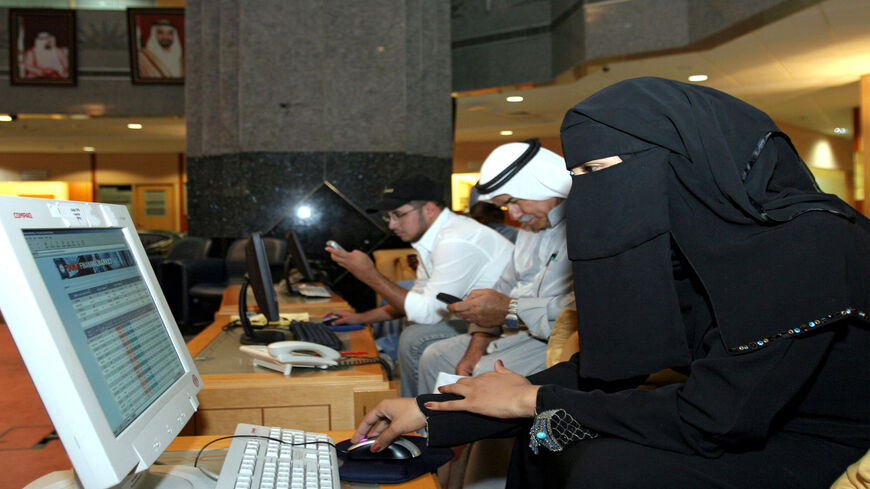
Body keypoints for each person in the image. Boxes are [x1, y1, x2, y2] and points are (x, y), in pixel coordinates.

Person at [348, 77, 870, 488]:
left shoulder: (811, 241)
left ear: (682, 157)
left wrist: (529, 400)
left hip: (812, 440)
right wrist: (431, 412)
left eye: (599, 168)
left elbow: (721, 416)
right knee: (549, 438)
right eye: (580, 176)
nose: (592, 194)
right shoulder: (689, 245)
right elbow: (616, 367)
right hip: (723, 415)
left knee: (600, 467)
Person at [325, 174, 513, 396]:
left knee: (416, 336)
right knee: (412, 325)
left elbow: (426, 315)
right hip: (481, 322)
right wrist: (360, 318)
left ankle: (419, 419)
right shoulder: (434, 237)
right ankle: (416, 410)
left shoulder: (455, 240)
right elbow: (415, 300)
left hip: (507, 325)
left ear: (429, 209)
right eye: (388, 217)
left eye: (398, 215)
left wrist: (369, 274)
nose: (392, 225)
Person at [417, 140, 574, 396]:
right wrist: (477, 345)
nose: (514, 214)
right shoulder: (528, 230)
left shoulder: (585, 225)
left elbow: (582, 309)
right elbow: (502, 289)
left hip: (559, 342)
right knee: (436, 357)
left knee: (484, 376)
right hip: (514, 333)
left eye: (514, 201)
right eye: (505, 206)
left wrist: (510, 309)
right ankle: (429, 434)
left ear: (539, 185)